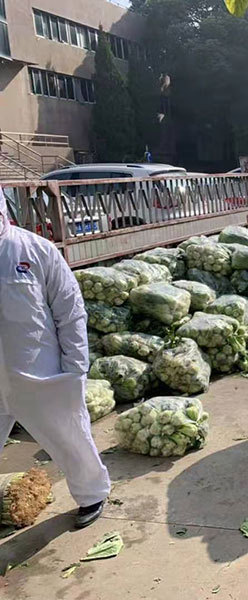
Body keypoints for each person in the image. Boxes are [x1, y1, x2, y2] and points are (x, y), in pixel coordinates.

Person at [0, 186, 111, 528]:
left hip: (39, 374)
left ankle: (92, 495)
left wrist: (75, 366)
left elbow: (70, 309)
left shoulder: (35, 250)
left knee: (69, 435)